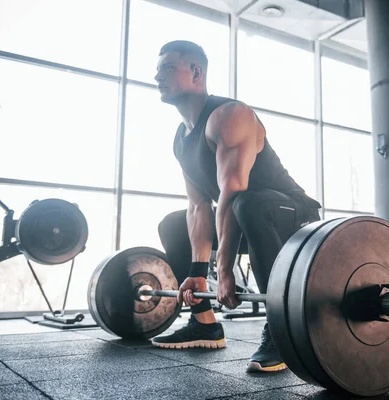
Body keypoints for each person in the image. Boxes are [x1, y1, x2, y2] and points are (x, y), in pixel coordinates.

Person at [150, 40, 321, 373]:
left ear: (196, 72)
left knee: (246, 203)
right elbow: (199, 207)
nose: (157, 76)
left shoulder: (230, 115)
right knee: (173, 224)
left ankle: (281, 331)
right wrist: (199, 275)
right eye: (157, 70)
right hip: (246, 215)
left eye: (167, 68)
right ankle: (205, 324)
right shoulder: (181, 138)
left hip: (294, 217)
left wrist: (225, 270)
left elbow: (231, 192)